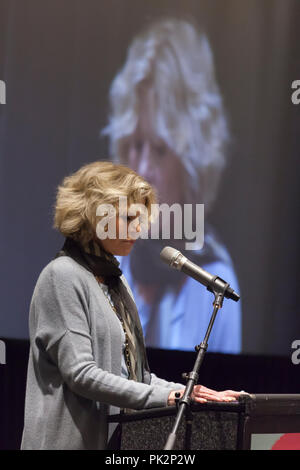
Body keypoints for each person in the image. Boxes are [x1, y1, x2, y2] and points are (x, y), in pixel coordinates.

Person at [21, 161, 241, 450]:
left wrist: (191, 393)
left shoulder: (116, 283)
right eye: (129, 218)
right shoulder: (63, 275)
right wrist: (168, 398)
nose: (139, 229)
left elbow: (139, 377)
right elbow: (81, 375)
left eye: (141, 219)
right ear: (92, 216)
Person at [103, 18, 241, 353]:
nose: (143, 169)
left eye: (161, 149)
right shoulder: (105, 260)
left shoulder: (216, 282)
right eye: (135, 145)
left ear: (194, 162)